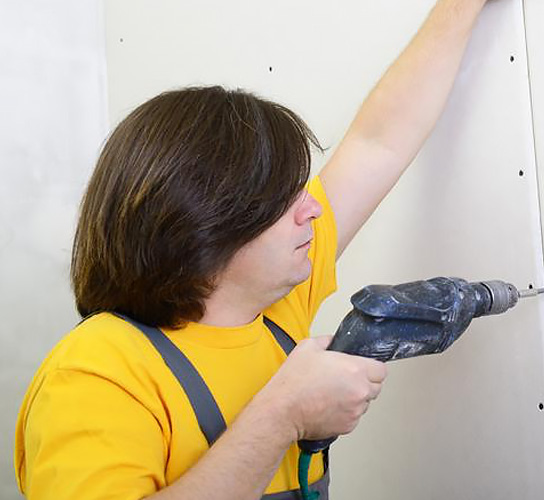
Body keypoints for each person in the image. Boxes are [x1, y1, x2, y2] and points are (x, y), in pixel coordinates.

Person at [14, 0, 490, 498]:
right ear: (205, 227)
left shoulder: (273, 309)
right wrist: (283, 415)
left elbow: (379, 142)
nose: (313, 210)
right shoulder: (96, 373)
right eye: (283, 199)